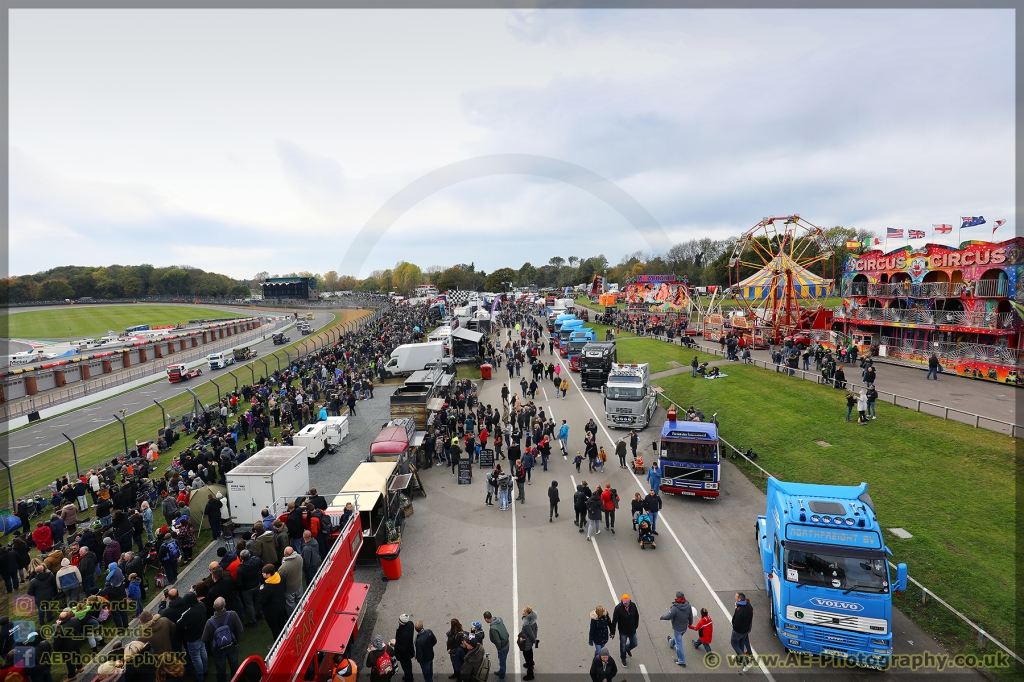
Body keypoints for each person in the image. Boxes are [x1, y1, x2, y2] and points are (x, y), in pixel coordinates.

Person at [203, 596, 244, 682]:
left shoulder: (209, 622)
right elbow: (240, 629)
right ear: (224, 605)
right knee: (234, 665)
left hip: (218, 649)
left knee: (220, 669)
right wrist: (237, 641)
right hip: (232, 645)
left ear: (214, 607)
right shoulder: (232, 614)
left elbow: (204, 639)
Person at [661, 590, 694, 667]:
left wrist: (662, 617)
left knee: (679, 645)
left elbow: (668, 616)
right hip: (684, 628)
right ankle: (671, 642)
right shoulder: (688, 605)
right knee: (677, 638)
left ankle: (682, 661)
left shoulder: (675, 608)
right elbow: (690, 616)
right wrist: (690, 623)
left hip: (677, 628)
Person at [258, 564, 288, 638]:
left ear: (268, 574)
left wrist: (261, 591)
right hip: (281, 605)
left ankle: (278, 644)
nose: (262, 574)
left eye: (263, 573)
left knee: (275, 629)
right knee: (282, 624)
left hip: (272, 612)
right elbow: (284, 588)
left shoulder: (267, 588)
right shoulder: (281, 577)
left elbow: (262, 601)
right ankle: (286, 637)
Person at [610, 594, 639, 667]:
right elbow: (614, 621)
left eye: (627, 602)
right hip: (623, 631)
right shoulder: (618, 609)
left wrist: (635, 626)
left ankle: (627, 648)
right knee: (622, 646)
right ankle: (623, 658)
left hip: (632, 630)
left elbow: (636, 616)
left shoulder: (633, 605)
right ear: (622, 601)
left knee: (635, 643)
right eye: (625, 602)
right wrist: (613, 632)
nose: (626, 604)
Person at [731, 593, 754, 673]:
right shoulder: (749, 607)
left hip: (738, 631)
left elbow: (736, 623)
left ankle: (746, 662)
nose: (735, 597)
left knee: (734, 643)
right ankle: (739, 659)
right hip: (745, 630)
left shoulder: (740, 610)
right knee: (741, 643)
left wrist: (734, 627)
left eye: (736, 596)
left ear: (739, 599)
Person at [483, 611, 509, 681]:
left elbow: (497, 641)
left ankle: (502, 678)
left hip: (502, 647)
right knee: (501, 660)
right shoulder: (499, 619)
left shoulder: (493, 628)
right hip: (506, 643)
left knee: (502, 662)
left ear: (486, 619)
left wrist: (499, 649)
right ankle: (500, 671)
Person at [278, 547, 304, 614]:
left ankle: (294, 618)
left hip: (289, 590)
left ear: (285, 554)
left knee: (291, 605)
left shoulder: (283, 568)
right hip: (298, 584)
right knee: (300, 600)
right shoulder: (299, 557)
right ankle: (302, 612)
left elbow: (281, 580)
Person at [394, 614, 416, 682]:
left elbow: (403, 648)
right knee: (408, 664)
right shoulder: (410, 624)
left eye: (399, 621)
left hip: (404, 655)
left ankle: (409, 679)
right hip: (409, 651)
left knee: (406, 666)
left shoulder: (404, 634)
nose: (398, 622)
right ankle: (409, 676)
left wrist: (395, 644)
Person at [519, 606, 538, 681]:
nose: (522, 612)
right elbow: (536, 628)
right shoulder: (532, 619)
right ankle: (531, 663)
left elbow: (530, 633)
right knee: (530, 652)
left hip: (527, 641)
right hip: (530, 640)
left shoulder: (527, 623)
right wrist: (534, 638)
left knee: (526, 654)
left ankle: (530, 673)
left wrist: (533, 640)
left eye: (524, 611)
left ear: (527, 613)